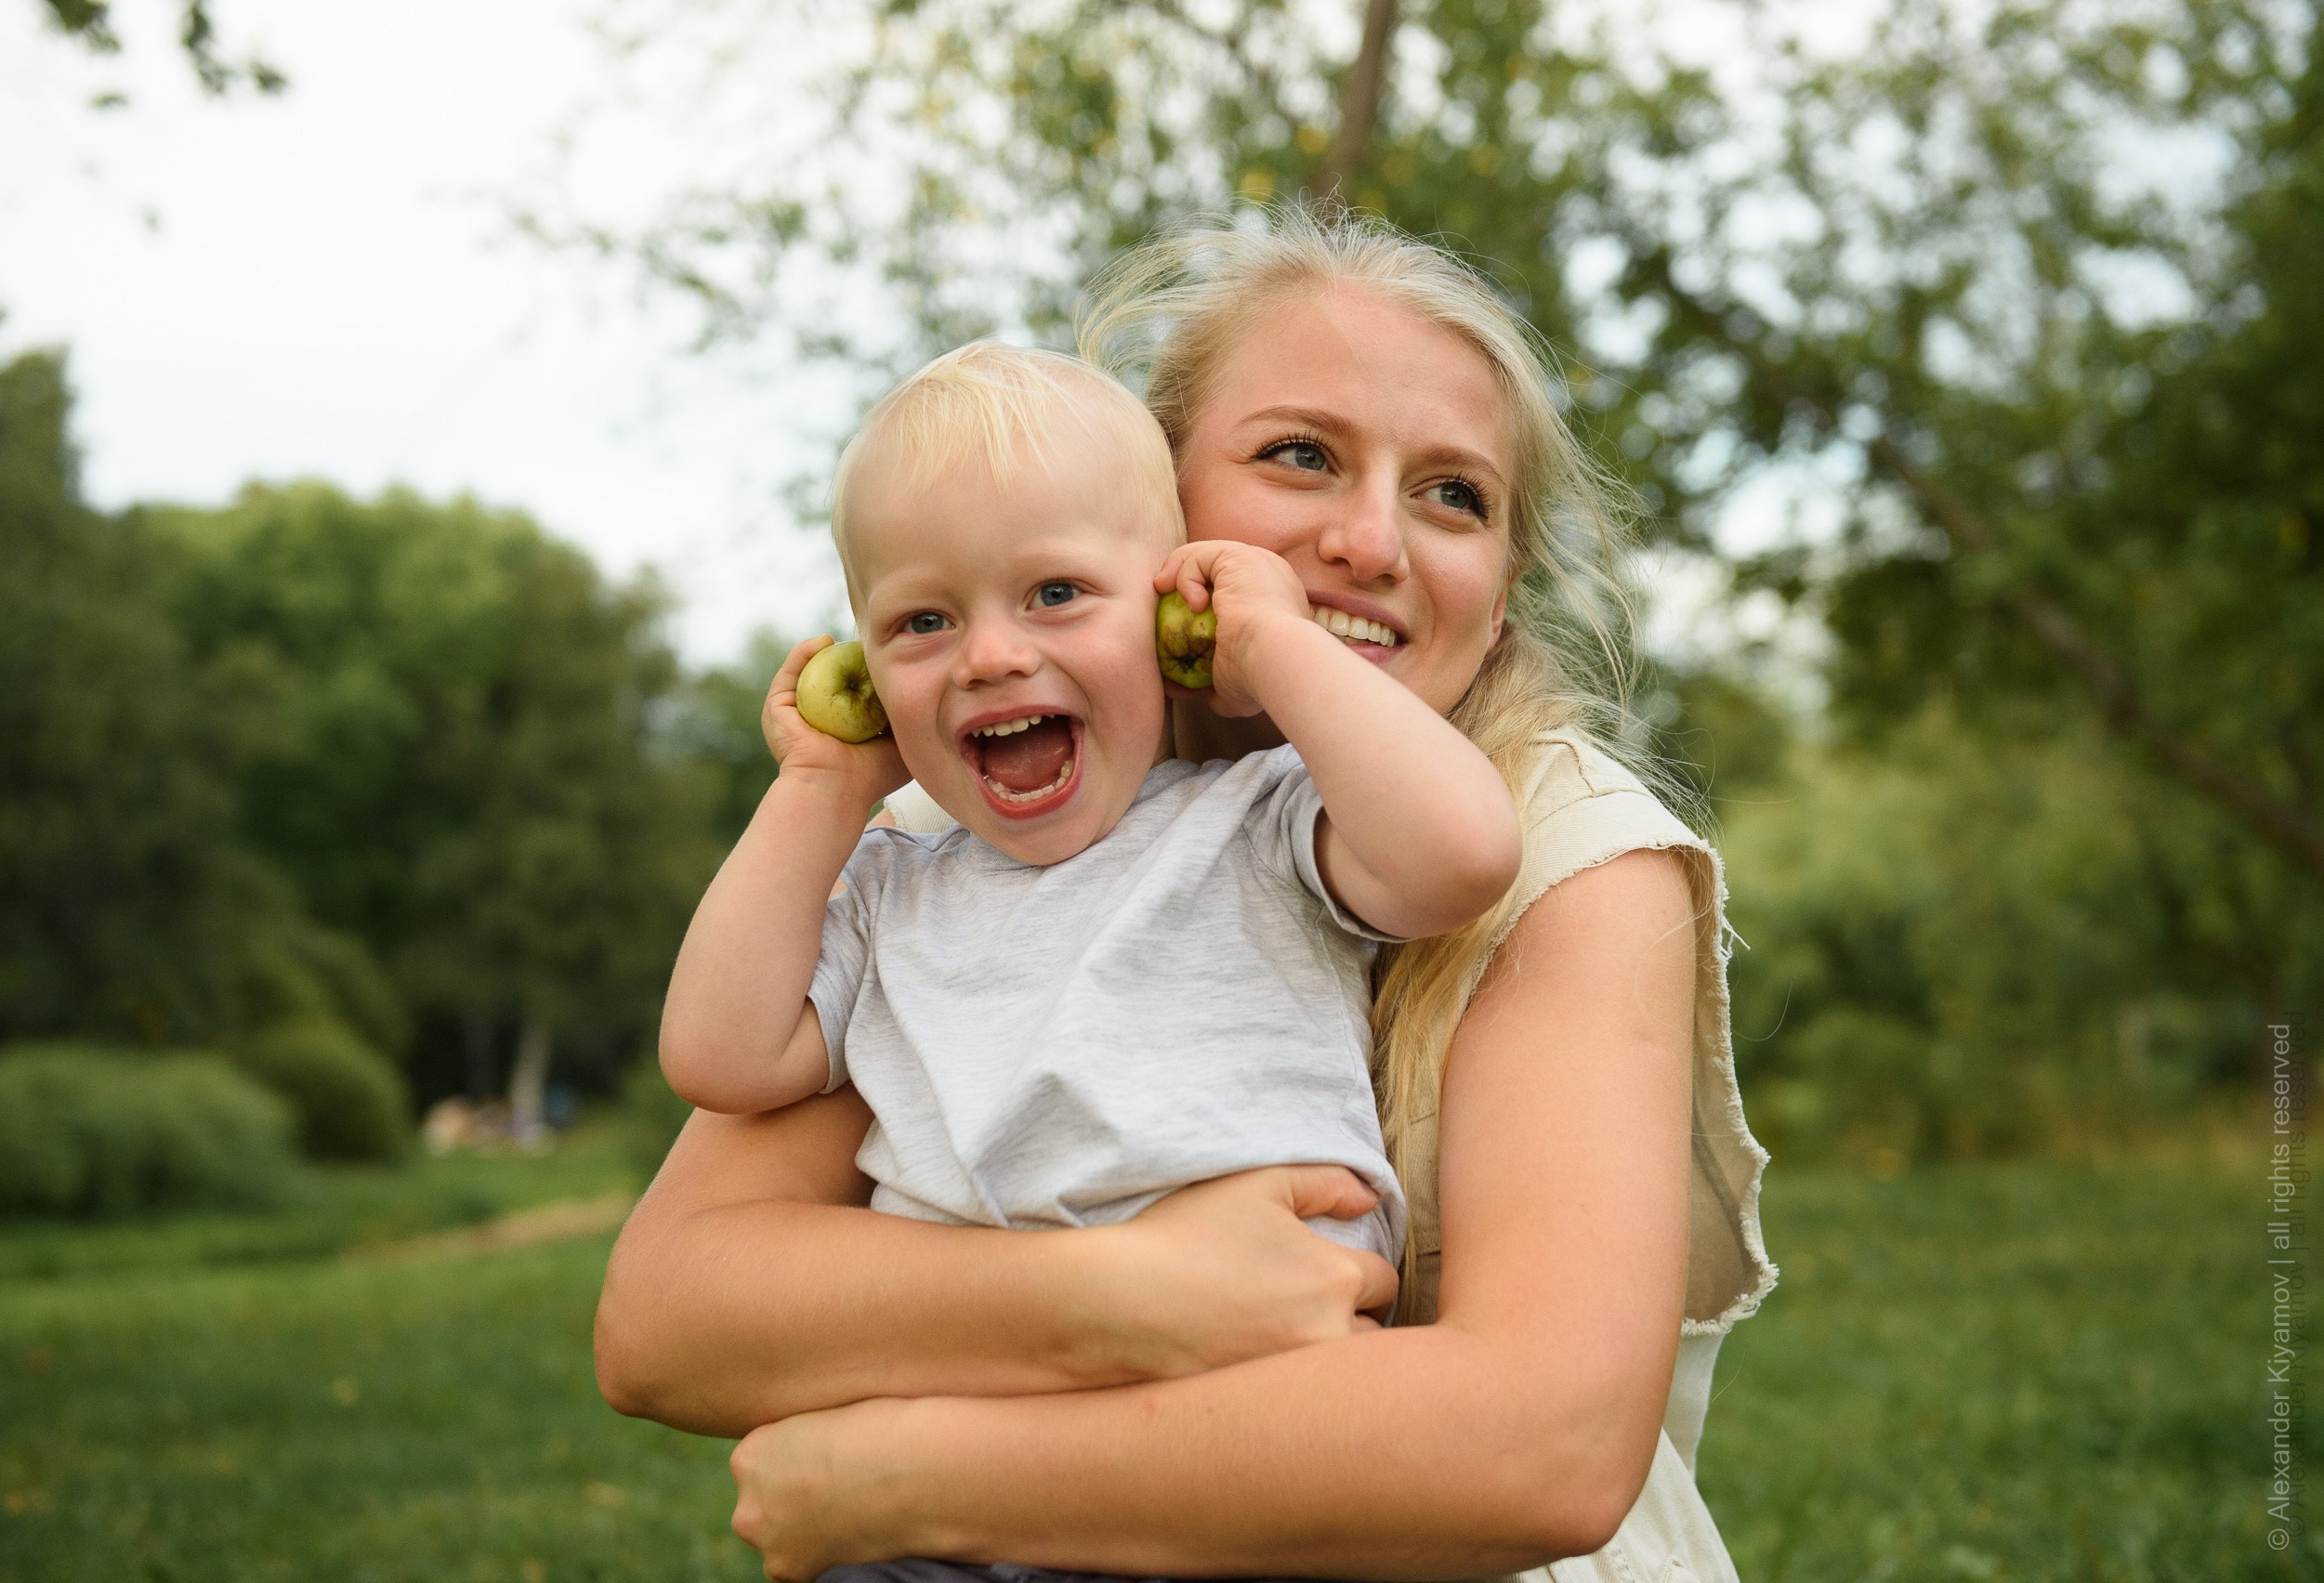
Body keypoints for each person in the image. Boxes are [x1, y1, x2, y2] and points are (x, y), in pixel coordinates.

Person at [595, 203, 1776, 1582]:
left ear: (1503, 596)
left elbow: (1547, 1446)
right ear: (1158, 512)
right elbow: (666, 1316)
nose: (1372, 542)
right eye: (1299, 456)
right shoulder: (971, 837)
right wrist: (1124, 1296)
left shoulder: (1565, 838)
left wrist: (904, 1476)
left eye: (1455, 494)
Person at [657, 342, 1525, 1296]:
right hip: (995, 1355)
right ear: (867, 678)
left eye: (1056, 595)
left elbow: (1464, 855)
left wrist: (1273, 641)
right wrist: (820, 789)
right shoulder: (890, 888)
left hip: (1263, 1342)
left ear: (1165, 623)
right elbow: (720, 1058)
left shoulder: (1258, 819)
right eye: (922, 623)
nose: (988, 655)